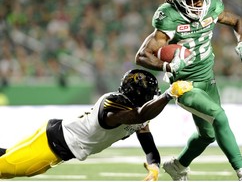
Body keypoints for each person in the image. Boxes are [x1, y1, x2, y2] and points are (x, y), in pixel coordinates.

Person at [135, 0, 242, 181]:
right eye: (193, 1)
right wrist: (168, 67)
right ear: (179, 0)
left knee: (207, 135)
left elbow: (237, 21)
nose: (199, 5)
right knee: (220, 117)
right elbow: (142, 56)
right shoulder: (169, 17)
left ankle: (178, 166)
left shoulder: (212, 6)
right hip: (184, 85)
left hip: (208, 78)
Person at [0, 68, 193, 180]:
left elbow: (149, 145)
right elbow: (138, 116)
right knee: (6, 169)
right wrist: (169, 94)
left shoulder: (138, 114)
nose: (153, 96)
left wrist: (154, 167)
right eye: (150, 93)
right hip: (53, 143)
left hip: (57, 140)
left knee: (7, 157)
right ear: (138, 93)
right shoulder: (114, 104)